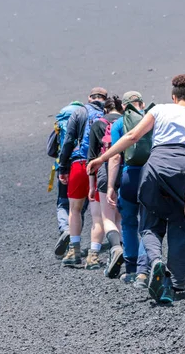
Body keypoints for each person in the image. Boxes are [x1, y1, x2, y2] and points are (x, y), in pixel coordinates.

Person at [88, 76, 185, 304]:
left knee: (150, 225)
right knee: (182, 225)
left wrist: (102, 158)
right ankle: (176, 282)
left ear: (173, 96)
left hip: (156, 169)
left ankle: (155, 262)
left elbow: (132, 136)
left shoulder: (160, 110)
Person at [58, 87, 107, 267]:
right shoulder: (107, 114)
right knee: (98, 214)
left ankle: (74, 250)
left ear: (89, 98)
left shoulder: (79, 112)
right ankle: (93, 255)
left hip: (78, 164)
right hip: (99, 165)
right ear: (104, 99)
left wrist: (63, 167)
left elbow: (68, 141)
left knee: (75, 209)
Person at [106, 91, 150, 285]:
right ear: (142, 103)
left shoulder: (118, 124)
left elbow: (115, 157)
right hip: (151, 175)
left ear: (124, 107)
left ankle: (131, 268)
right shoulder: (151, 119)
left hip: (129, 176)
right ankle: (144, 270)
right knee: (148, 224)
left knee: (129, 222)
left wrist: (110, 187)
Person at [85, 96, 124, 272]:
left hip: (104, 172)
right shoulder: (127, 122)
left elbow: (92, 158)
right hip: (127, 171)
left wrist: (92, 186)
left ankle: (106, 251)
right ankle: (128, 253)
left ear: (105, 110)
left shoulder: (98, 124)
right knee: (122, 217)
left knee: (104, 217)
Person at [49, 101, 87, 257]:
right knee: (79, 208)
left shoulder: (60, 121)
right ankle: (73, 239)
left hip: (64, 166)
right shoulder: (87, 117)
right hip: (83, 164)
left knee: (64, 203)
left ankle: (65, 229)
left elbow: (50, 149)